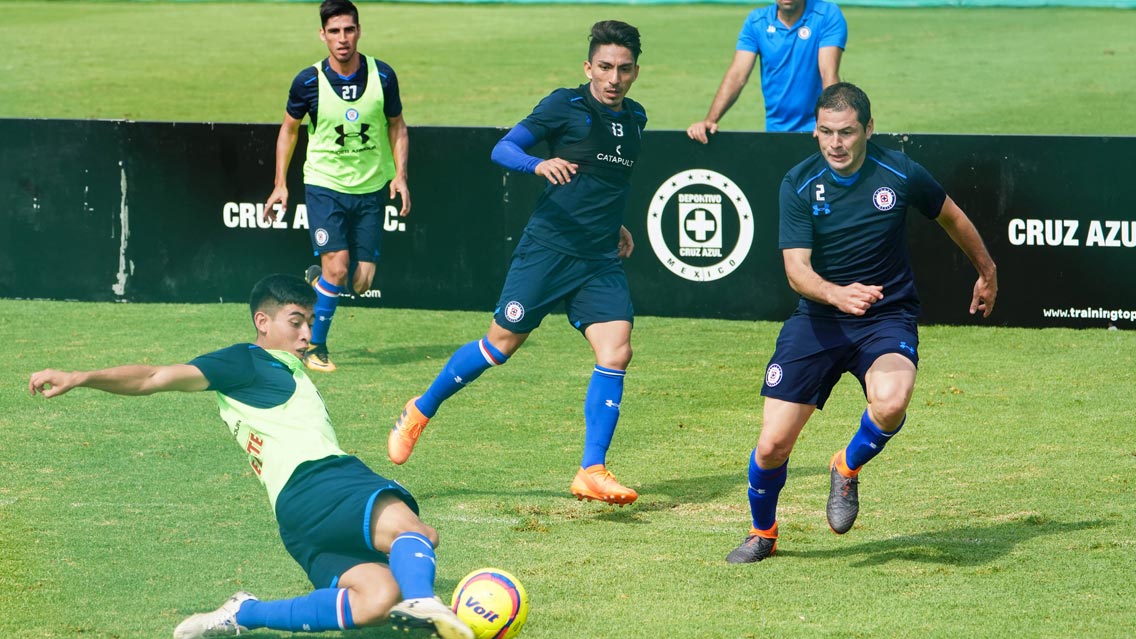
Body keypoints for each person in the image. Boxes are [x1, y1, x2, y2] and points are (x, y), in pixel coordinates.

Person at [28, 274, 472, 639]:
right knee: (415, 531)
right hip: (322, 480)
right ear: (263, 321)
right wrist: (80, 376)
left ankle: (245, 613)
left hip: (296, 516)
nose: (307, 334)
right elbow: (153, 376)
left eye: (311, 323)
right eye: (296, 322)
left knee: (375, 601)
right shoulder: (248, 361)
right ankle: (424, 602)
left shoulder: (284, 370)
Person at [726, 83, 998, 563]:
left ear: (868, 129)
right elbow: (796, 270)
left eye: (847, 132)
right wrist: (837, 294)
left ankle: (845, 467)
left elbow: (952, 217)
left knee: (891, 402)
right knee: (770, 446)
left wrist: (987, 271)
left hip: (885, 316)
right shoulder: (799, 183)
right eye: (826, 132)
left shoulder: (899, 171)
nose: (835, 143)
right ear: (815, 130)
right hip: (818, 319)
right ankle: (762, 532)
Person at [387, 21, 647, 506]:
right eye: (605, 67)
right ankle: (420, 409)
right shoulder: (563, 105)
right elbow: (503, 147)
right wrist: (537, 164)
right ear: (588, 66)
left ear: (635, 71)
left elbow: (608, 181)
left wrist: (616, 225)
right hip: (548, 250)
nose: (614, 77)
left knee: (616, 351)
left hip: (597, 258)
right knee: (499, 346)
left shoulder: (636, 119)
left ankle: (591, 469)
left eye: (624, 68)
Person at [263, 0, 410, 373]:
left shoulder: (383, 76)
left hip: (371, 188)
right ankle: (315, 347)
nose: (342, 39)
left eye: (348, 30)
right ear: (322, 34)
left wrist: (400, 175)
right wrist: (281, 183)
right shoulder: (307, 81)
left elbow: (397, 125)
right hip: (324, 185)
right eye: (334, 31)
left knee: (360, 282)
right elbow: (289, 130)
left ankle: (317, 282)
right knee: (338, 268)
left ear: (358, 31)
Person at [687, 0, 846, 140]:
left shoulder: (827, 15)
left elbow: (828, 73)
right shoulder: (756, 21)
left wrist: (828, 123)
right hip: (775, 131)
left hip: (817, 130)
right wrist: (710, 120)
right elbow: (737, 76)